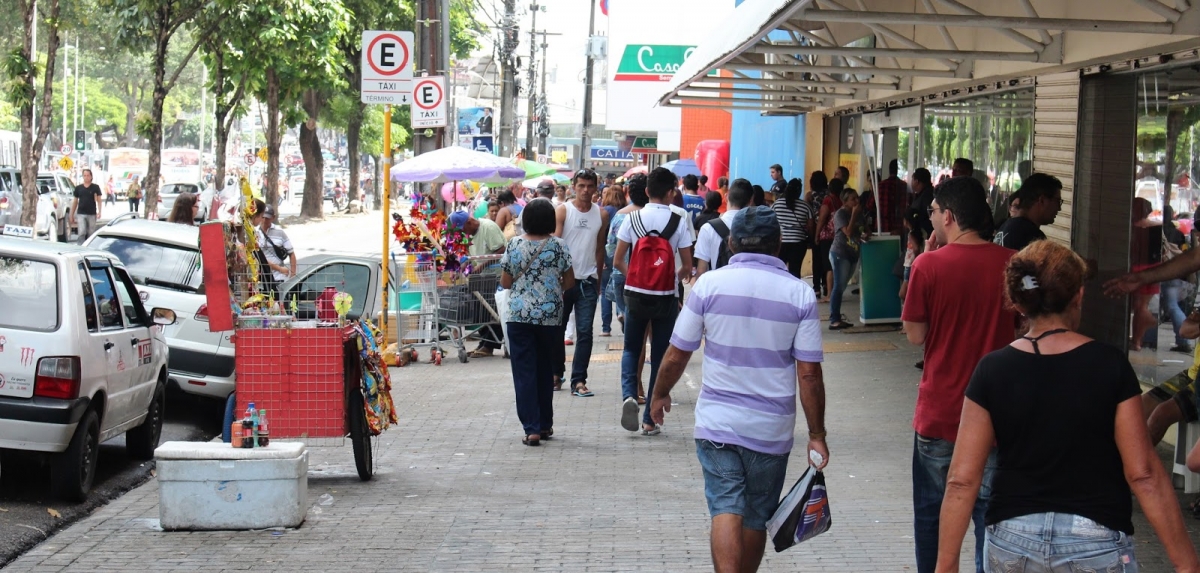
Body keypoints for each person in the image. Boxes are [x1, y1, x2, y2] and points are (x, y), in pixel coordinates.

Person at [937, 240, 1200, 573]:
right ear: (1078, 296)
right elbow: (1143, 473)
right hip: (1094, 541)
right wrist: (1186, 562)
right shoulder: (1110, 365)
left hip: (1012, 539)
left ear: (1019, 303)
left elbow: (962, 479)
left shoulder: (992, 370)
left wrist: (945, 566)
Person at [649, 206, 829, 573]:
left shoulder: (708, 286)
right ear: (778, 244)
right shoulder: (800, 294)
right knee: (756, 515)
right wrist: (816, 434)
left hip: (718, 423)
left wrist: (659, 393)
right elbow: (809, 374)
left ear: (731, 243)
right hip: (770, 429)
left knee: (725, 505)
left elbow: (676, 353)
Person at [902, 176, 1015, 573]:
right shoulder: (1012, 264)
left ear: (948, 216)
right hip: (998, 413)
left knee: (933, 513)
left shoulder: (928, 266)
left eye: (932, 212)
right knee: (990, 516)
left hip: (941, 410)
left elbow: (915, 335)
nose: (929, 218)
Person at [614, 167, 694, 434]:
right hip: (665, 298)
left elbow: (618, 261)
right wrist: (670, 280)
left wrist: (636, 279)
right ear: (671, 192)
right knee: (660, 355)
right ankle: (650, 419)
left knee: (631, 349)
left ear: (647, 191)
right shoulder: (679, 221)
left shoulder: (632, 219)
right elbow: (687, 265)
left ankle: (628, 394)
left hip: (635, 295)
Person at [500, 198, 574, 447]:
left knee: (524, 373)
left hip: (519, 317)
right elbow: (570, 282)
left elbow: (506, 282)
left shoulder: (514, 245)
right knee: (545, 369)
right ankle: (545, 424)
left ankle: (531, 428)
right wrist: (550, 291)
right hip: (551, 317)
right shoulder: (559, 246)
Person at [553, 169, 609, 396]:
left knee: (585, 332)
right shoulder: (563, 211)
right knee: (557, 330)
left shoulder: (602, 215)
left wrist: (597, 279)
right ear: (573, 187)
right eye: (581, 186)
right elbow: (555, 245)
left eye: (590, 186)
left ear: (597, 188)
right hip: (563, 282)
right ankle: (556, 373)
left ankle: (579, 380)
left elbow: (599, 247)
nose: (586, 191)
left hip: (588, 282)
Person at [606, 175, 649, 403]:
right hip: (646, 282)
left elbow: (612, 249)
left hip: (622, 277)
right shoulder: (650, 217)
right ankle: (640, 386)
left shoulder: (620, 217)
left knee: (632, 338)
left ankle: (634, 387)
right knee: (643, 337)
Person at [694, 178, 753, 280]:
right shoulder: (756, 228)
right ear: (750, 201)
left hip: (718, 288)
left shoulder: (708, 228)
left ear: (726, 197)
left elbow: (701, 270)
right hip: (748, 288)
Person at [992, 173, 1063, 251]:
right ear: (1042, 200)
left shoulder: (1006, 226)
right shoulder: (1031, 237)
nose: (1059, 208)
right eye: (1057, 201)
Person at [828, 187, 863, 330]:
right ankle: (834, 319)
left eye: (857, 198)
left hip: (853, 253)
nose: (856, 201)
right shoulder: (840, 214)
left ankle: (836, 316)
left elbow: (862, 229)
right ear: (845, 201)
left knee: (842, 286)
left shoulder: (859, 213)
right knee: (839, 285)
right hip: (840, 253)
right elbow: (848, 232)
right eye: (853, 199)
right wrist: (854, 214)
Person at [1129, 197, 1162, 351]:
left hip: (1138, 270)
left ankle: (1137, 340)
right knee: (1141, 306)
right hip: (1154, 269)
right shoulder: (1157, 227)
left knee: (1139, 306)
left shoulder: (1132, 228)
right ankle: (1137, 340)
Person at [771, 177, 814, 279]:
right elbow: (811, 226)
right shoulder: (806, 206)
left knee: (778, 270)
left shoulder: (777, 204)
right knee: (795, 271)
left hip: (781, 242)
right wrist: (811, 240)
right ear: (799, 191)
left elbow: (771, 222)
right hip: (798, 243)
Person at [599, 184, 626, 338]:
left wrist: (601, 257)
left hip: (607, 254)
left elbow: (601, 237)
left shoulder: (604, 212)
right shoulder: (626, 212)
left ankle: (605, 327)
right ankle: (621, 312)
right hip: (622, 254)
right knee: (620, 285)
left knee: (604, 290)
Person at [259, 205, 297, 290]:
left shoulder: (279, 232)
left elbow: (291, 253)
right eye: (263, 217)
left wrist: (293, 275)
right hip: (261, 278)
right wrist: (280, 269)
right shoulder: (255, 232)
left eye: (267, 218)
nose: (265, 220)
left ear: (273, 217)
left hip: (278, 278)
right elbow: (261, 259)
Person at [808, 171, 831, 299]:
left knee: (816, 259)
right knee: (826, 259)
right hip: (828, 232)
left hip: (816, 229)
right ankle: (826, 284)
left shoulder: (810, 196)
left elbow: (809, 213)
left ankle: (816, 287)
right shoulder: (829, 194)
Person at [71, 169, 103, 245]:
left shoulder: (95, 187)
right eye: (84, 175)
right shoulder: (78, 188)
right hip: (81, 213)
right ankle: (80, 246)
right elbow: (75, 201)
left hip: (91, 213)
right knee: (82, 231)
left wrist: (99, 211)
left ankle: (89, 246)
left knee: (91, 232)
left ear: (91, 176)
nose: (86, 177)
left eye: (88, 175)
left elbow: (99, 200)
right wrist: (71, 214)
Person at [877, 159, 910, 234]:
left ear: (889, 170)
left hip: (882, 227)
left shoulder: (880, 186)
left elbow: (869, 205)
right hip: (899, 228)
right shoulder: (904, 186)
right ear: (897, 170)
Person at [907, 168, 935, 238]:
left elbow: (924, 218)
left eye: (912, 179)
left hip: (924, 237)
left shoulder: (927, 196)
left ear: (916, 181)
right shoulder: (926, 194)